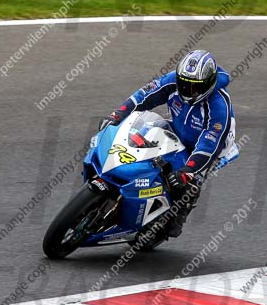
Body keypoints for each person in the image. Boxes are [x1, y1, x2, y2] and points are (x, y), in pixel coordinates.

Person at [98, 50, 237, 238]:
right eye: (184, 84)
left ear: (208, 84)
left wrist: (187, 171)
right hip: (178, 127)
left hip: (211, 147)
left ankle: (174, 219)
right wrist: (118, 115)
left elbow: (209, 145)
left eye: (194, 87)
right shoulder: (173, 80)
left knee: (188, 183)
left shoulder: (219, 105)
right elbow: (144, 95)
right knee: (140, 135)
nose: (187, 90)